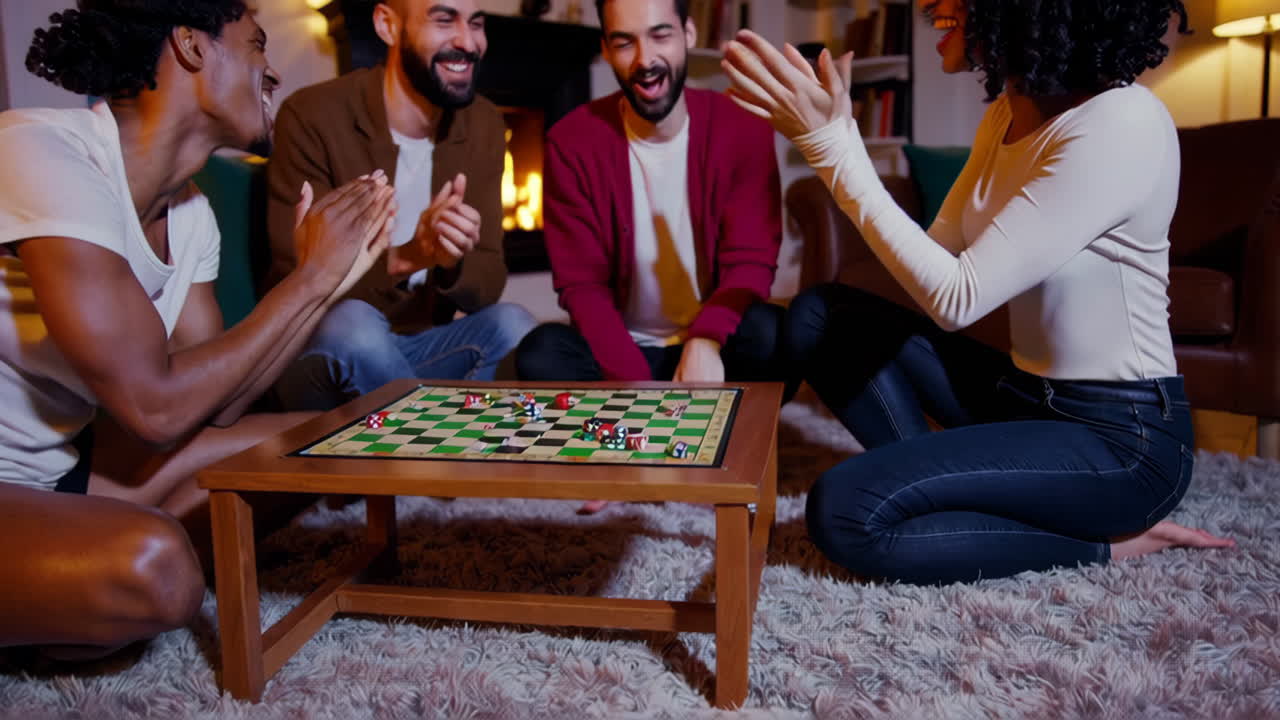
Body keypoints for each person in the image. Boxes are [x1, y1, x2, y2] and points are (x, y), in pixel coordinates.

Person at [722, 0, 1234, 584]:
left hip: (1122, 440)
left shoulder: (1123, 122)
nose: (930, 6)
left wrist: (834, 149)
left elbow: (957, 298)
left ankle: (1108, 546)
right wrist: (839, 134)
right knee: (819, 314)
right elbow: (933, 261)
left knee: (843, 512)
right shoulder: (1005, 117)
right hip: (1027, 397)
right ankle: (931, 491)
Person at [0, 0, 394, 659]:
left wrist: (323, 283)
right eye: (256, 46)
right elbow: (153, 409)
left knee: (322, 443)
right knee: (161, 573)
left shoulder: (191, 213)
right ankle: (63, 585)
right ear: (189, 45)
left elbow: (222, 405)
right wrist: (307, 280)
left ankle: (62, 571)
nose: (272, 74)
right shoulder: (40, 149)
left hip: (61, 473)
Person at [267, 0, 536, 412]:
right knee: (355, 325)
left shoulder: (482, 122)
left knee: (515, 324)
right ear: (388, 25)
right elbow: (300, 278)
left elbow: (488, 282)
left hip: (420, 346)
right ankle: (441, 452)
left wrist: (450, 261)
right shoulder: (312, 115)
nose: (468, 41)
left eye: (477, 23)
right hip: (321, 346)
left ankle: (429, 436)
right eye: (444, 20)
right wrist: (412, 255)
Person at [514, 0, 785, 389]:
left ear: (687, 34)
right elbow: (581, 286)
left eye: (661, 36)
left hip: (713, 345)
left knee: (772, 333)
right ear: (605, 49)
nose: (646, 60)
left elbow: (752, 262)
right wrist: (640, 390)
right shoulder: (570, 142)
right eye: (625, 43)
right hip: (623, 349)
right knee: (541, 353)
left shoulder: (743, 129)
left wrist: (705, 342)